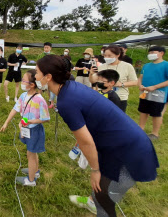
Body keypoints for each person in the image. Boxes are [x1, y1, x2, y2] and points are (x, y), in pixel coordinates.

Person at [35, 55, 159, 217]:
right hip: (118, 145)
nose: (35, 76)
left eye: (37, 72)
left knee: (104, 197)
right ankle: (93, 203)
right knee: (100, 189)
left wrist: (95, 169)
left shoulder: (66, 102)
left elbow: (85, 141)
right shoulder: (71, 87)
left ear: (48, 77)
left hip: (131, 151)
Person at [69, 69, 121, 215]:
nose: (98, 82)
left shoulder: (114, 99)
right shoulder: (101, 93)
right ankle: (94, 199)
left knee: (102, 171)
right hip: (95, 134)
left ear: (111, 83)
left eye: (102, 81)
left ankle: (95, 202)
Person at [0, 70, 50, 186]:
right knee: (31, 153)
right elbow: (15, 109)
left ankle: (31, 180)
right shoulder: (23, 96)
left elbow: (46, 118)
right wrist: (6, 122)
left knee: (31, 155)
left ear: (32, 85)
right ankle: (35, 171)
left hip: (35, 130)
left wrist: (31, 121)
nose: (21, 82)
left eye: (23, 80)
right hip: (26, 128)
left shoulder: (40, 100)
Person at [89, 45, 137, 113]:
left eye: (110, 56)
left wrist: (121, 84)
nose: (107, 58)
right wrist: (91, 74)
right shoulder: (102, 67)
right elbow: (93, 80)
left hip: (120, 98)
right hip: (103, 97)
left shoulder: (127, 66)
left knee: (117, 119)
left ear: (118, 55)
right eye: (105, 55)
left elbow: (135, 82)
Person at [138, 46, 168, 141]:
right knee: (143, 111)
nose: (150, 54)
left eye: (153, 52)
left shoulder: (165, 65)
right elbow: (140, 78)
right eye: (149, 52)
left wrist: (155, 87)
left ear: (161, 53)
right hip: (145, 91)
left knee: (156, 113)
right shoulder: (146, 65)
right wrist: (140, 85)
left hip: (159, 93)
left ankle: (155, 133)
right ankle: (140, 129)